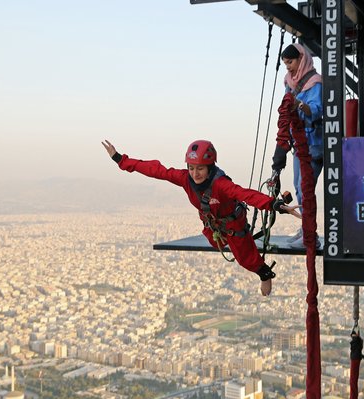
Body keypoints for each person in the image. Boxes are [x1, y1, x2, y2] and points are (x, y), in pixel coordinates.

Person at [102, 139, 301, 296]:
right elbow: (156, 170)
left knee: (245, 258)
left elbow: (244, 194)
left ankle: (264, 273)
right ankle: (232, 245)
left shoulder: (220, 184)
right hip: (212, 225)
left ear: (210, 167)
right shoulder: (184, 178)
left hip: (232, 222)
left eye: (200, 168)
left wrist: (274, 205)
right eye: (191, 168)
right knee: (216, 242)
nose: (195, 173)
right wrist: (121, 160)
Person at [271, 43, 323, 248]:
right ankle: (306, 229)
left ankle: (312, 235)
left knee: (305, 187)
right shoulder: (289, 82)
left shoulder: (315, 83)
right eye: (285, 63)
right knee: (299, 187)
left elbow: (318, 111)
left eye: (291, 62)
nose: (289, 67)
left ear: (301, 59)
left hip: (314, 143)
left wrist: (300, 105)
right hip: (298, 143)